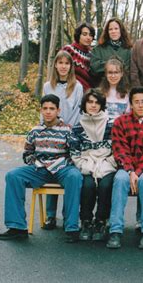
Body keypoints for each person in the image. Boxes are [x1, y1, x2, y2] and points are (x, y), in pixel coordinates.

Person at [0, 94, 82, 243]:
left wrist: (60, 164)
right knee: (13, 175)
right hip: (40, 170)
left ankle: (72, 227)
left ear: (58, 110)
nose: (48, 112)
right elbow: (27, 154)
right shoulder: (35, 131)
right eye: (45, 108)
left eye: (52, 108)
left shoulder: (68, 130)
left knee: (75, 176)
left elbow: (75, 154)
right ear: (41, 110)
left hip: (62, 169)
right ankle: (17, 227)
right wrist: (37, 163)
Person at [106, 87, 143, 249]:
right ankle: (115, 231)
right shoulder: (120, 122)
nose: (140, 105)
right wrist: (130, 170)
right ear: (131, 104)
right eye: (136, 102)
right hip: (126, 167)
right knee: (119, 179)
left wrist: (137, 172)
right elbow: (120, 150)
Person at [42, 50, 83, 228]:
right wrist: (45, 132)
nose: (63, 66)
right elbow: (44, 110)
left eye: (67, 63)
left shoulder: (78, 87)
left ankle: (68, 216)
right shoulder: (47, 86)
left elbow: (78, 112)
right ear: (56, 65)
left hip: (70, 133)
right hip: (51, 134)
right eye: (60, 63)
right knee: (52, 169)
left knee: (69, 174)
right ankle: (51, 215)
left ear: (71, 66)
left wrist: (68, 132)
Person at [70, 89, 117, 241]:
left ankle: (101, 221)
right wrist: (87, 167)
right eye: (90, 102)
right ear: (84, 105)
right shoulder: (77, 128)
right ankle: (86, 221)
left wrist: (107, 165)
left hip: (107, 163)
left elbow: (117, 150)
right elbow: (75, 154)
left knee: (105, 186)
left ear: (102, 105)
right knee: (88, 185)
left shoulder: (111, 124)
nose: (93, 105)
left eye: (97, 102)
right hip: (86, 164)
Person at [90, 18, 133, 83]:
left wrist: (105, 64)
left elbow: (129, 69)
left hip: (123, 87)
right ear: (107, 32)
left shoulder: (129, 50)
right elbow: (95, 67)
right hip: (102, 87)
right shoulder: (98, 49)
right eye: (110, 29)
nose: (113, 31)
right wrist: (116, 65)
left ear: (121, 31)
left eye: (116, 29)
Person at [61, 22, 96, 90]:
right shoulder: (68, 50)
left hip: (88, 94)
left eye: (90, 35)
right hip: (69, 91)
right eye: (84, 34)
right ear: (78, 35)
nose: (88, 37)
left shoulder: (92, 55)